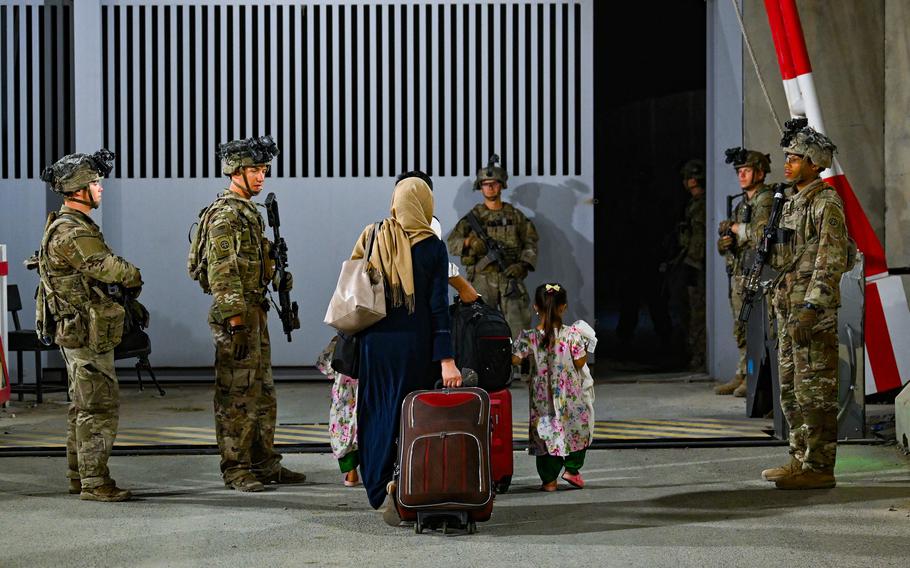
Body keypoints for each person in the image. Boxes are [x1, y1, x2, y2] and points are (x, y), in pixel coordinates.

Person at [190, 136, 306, 492]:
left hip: (255, 311)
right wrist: (237, 323)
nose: (261, 177)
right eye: (254, 170)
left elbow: (252, 265)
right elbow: (223, 272)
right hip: (236, 317)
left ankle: (263, 462)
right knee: (236, 395)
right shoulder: (226, 216)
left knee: (262, 392)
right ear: (235, 171)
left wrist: (276, 274)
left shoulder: (248, 213)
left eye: (263, 170)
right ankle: (236, 467)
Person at [349, 172, 461, 524]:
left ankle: (379, 487)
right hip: (414, 347)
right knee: (412, 416)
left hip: (374, 345)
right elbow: (439, 307)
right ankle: (409, 483)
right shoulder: (432, 246)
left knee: (375, 411)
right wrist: (447, 360)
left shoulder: (374, 234)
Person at [34, 150, 142, 502]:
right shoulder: (72, 233)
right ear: (78, 189)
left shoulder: (74, 227)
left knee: (82, 406)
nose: (100, 188)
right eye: (94, 182)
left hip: (79, 330)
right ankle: (95, 483)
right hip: (84, 333)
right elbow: (112, 269)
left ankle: (79, 477)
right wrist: (132, 274)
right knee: (97, 407)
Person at [761, 120, 848, 490]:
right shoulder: (792, 203)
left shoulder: (825, 202)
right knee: (791, 391)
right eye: (787, 157)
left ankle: (820, 466)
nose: (788, 163)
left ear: (814, 163)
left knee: (815, 390)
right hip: (788, 312)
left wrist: (812, 308)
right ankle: (799, 458)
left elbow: (830, 260)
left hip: (811, 316)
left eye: (795, 158)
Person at [446, 154, 538, 338]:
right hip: (481, 279)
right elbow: (451, 243)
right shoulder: (473, 218)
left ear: (501, 185)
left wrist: (522, 265)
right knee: (479, 328)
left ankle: (518, 366)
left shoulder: (515, 216)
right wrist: (469, 242)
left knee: (519, 329)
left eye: (494, 183)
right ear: (480, 187)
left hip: (509, 277)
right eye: (485, 183)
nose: (490, 187)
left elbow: (531, 241)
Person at [512, 283, 593, 491]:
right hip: (570, 397)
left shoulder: (528, 337)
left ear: (535, 307)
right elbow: (580, 363)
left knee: (546, 437)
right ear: (563, 307)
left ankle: (549, 480)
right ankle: (572, 470)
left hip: (542, 401)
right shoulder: (573, 335)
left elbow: (514, 360)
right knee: (576, 431)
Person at [714, 148, 775, 396]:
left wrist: (738, 228)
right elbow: (735, 239)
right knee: (741, 326)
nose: (741, 175)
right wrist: (724, 243)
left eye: (747, 171)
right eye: (739, 171)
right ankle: (743, 372)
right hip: (741, 272)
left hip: (758, 274)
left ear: (760, 173)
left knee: (756, 327)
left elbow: (762, 234)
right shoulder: (743, 204)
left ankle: (754, 377)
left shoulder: (766, 200)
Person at [675, 159, 707, 371]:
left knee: (698, 313)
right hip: (692, 262)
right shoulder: (694, 203)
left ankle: (700, 357)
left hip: (698, 265)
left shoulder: (702, 204)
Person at [316, 336, 361, 487]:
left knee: (343, 415)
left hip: (348, 344)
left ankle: (351, 470)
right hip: (376, 343)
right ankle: (372, 470)